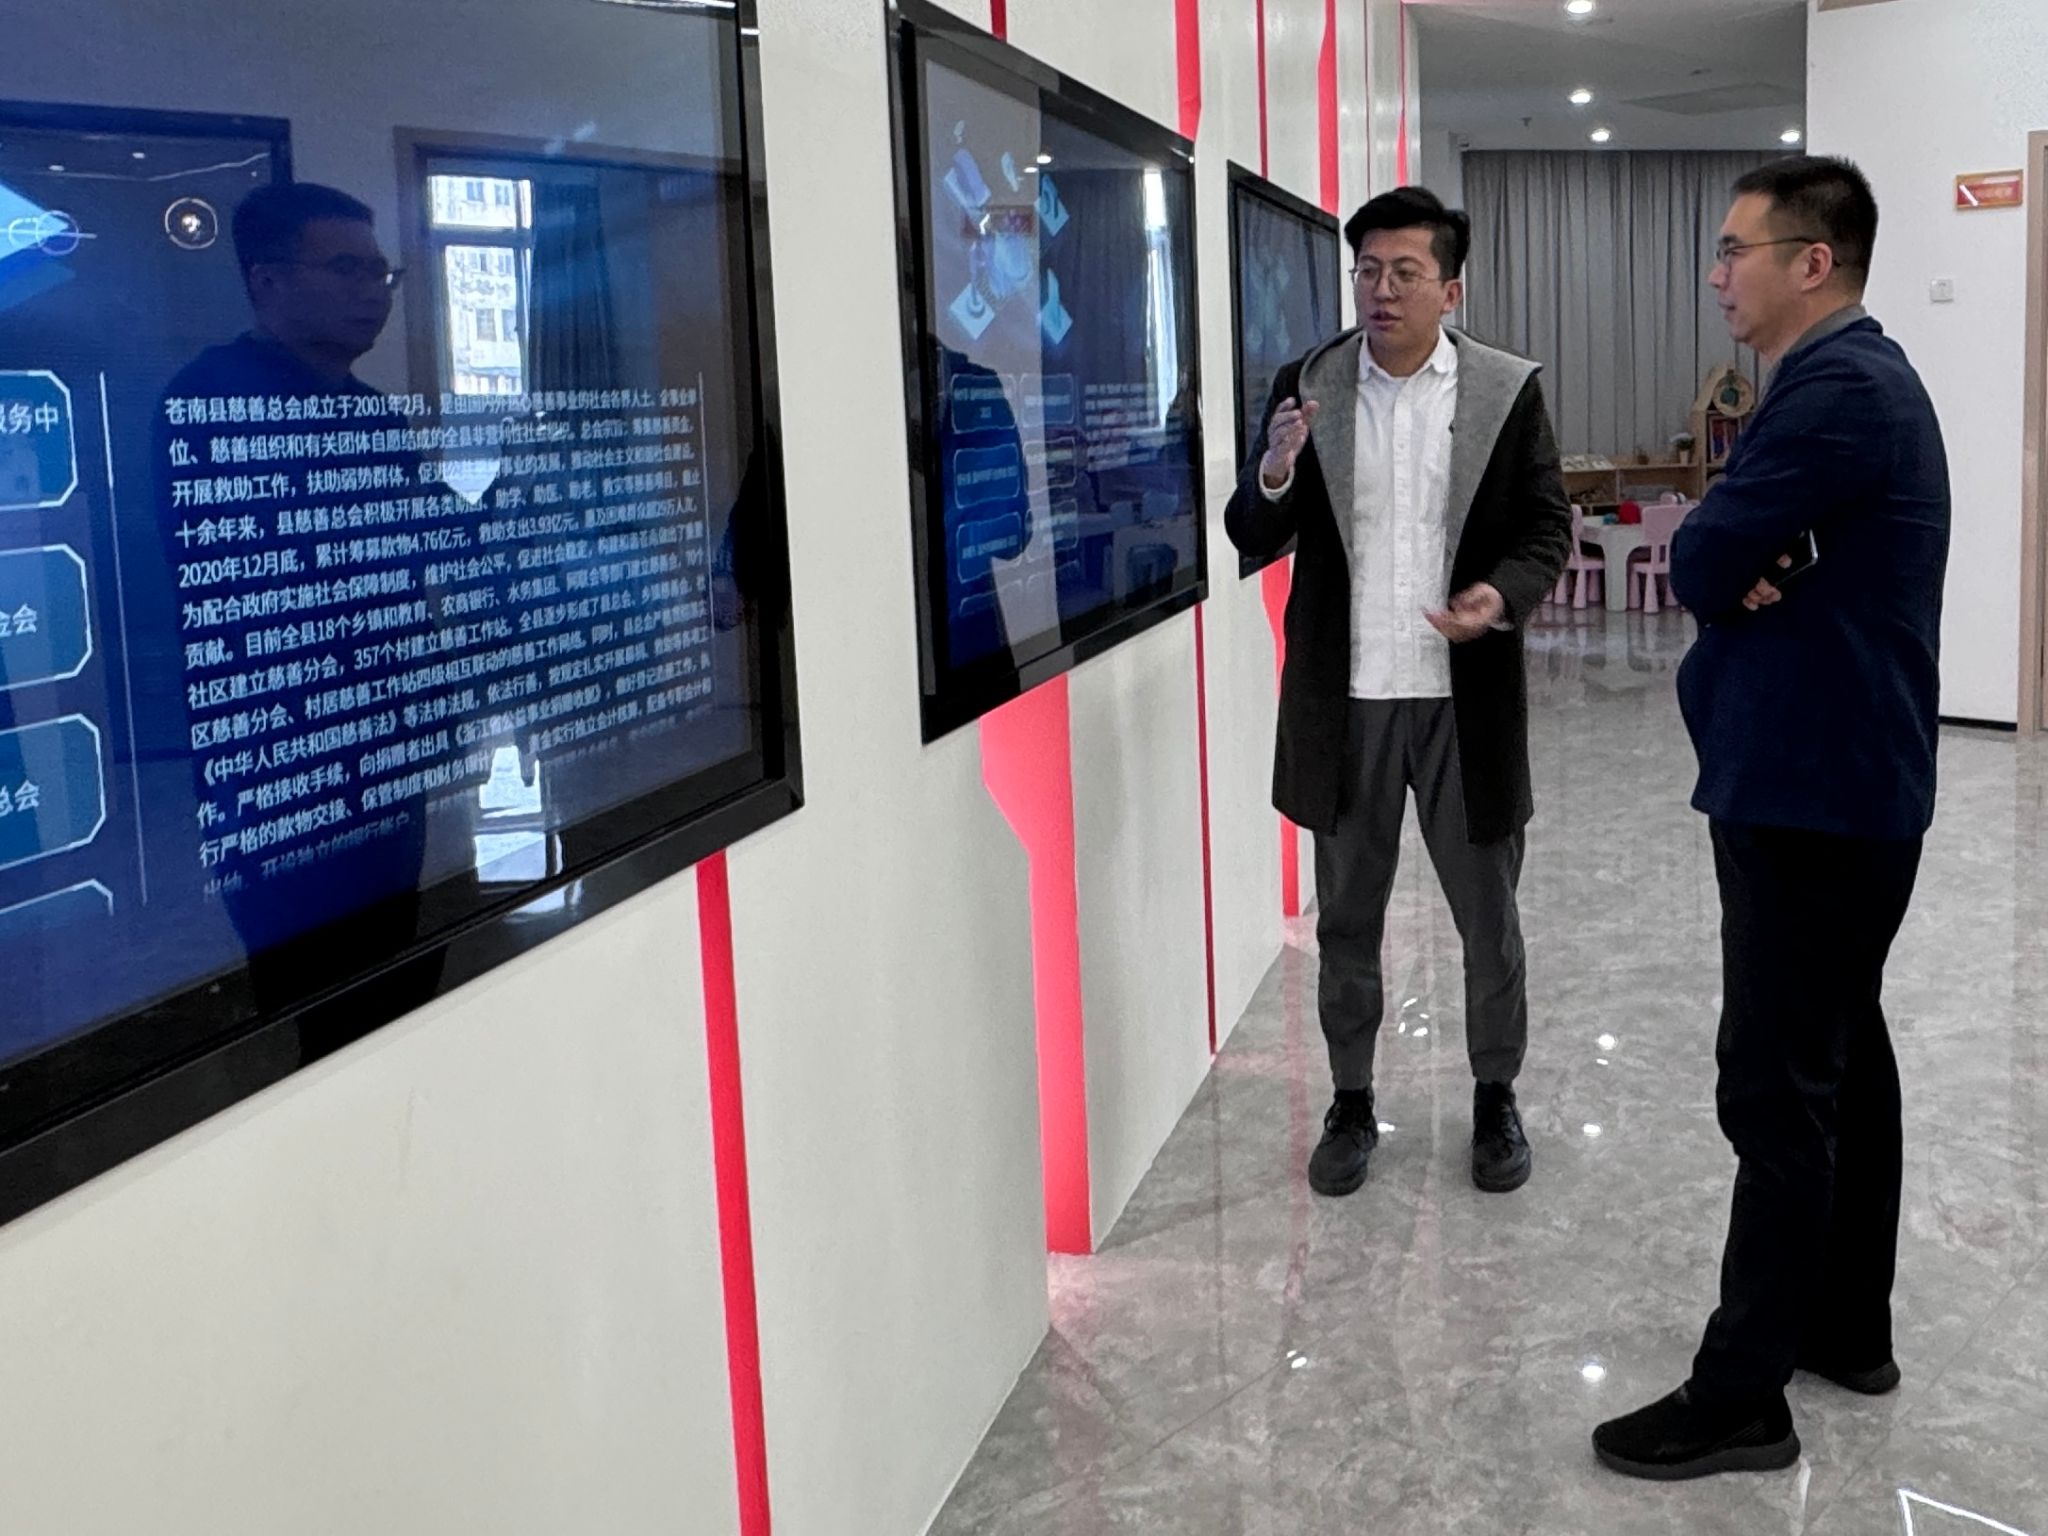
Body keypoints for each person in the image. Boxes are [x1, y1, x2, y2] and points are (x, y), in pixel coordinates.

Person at [1593, 156, 1950, 1480]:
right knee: (1843, 1052)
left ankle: (1741, 1393)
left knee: (1777, 1086)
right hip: (1843, 783)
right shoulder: (1849, 382)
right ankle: (1847, 1326)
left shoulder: (1839, 387)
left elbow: (1696, 556)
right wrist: (1750, 555)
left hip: (1812, 791)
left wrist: (1741, 556)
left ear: (1812, 261)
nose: (1715, 275)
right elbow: (1727, 556)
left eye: (1734, 250)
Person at [1225, 187, 1572, 1198]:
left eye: (1404, 272)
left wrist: (1498, 597)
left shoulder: (1504, 390)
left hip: (1463, 701)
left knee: (1487, 919)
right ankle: (1349, 1098)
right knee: (1346, 920)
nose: (1380, 290)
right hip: (1348, 701)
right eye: (1367, 271)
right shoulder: (1310, 385)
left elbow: (1545, 527)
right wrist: (1276, 472)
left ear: (1449, 289)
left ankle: (1494, 1095)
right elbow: (1251, 529)